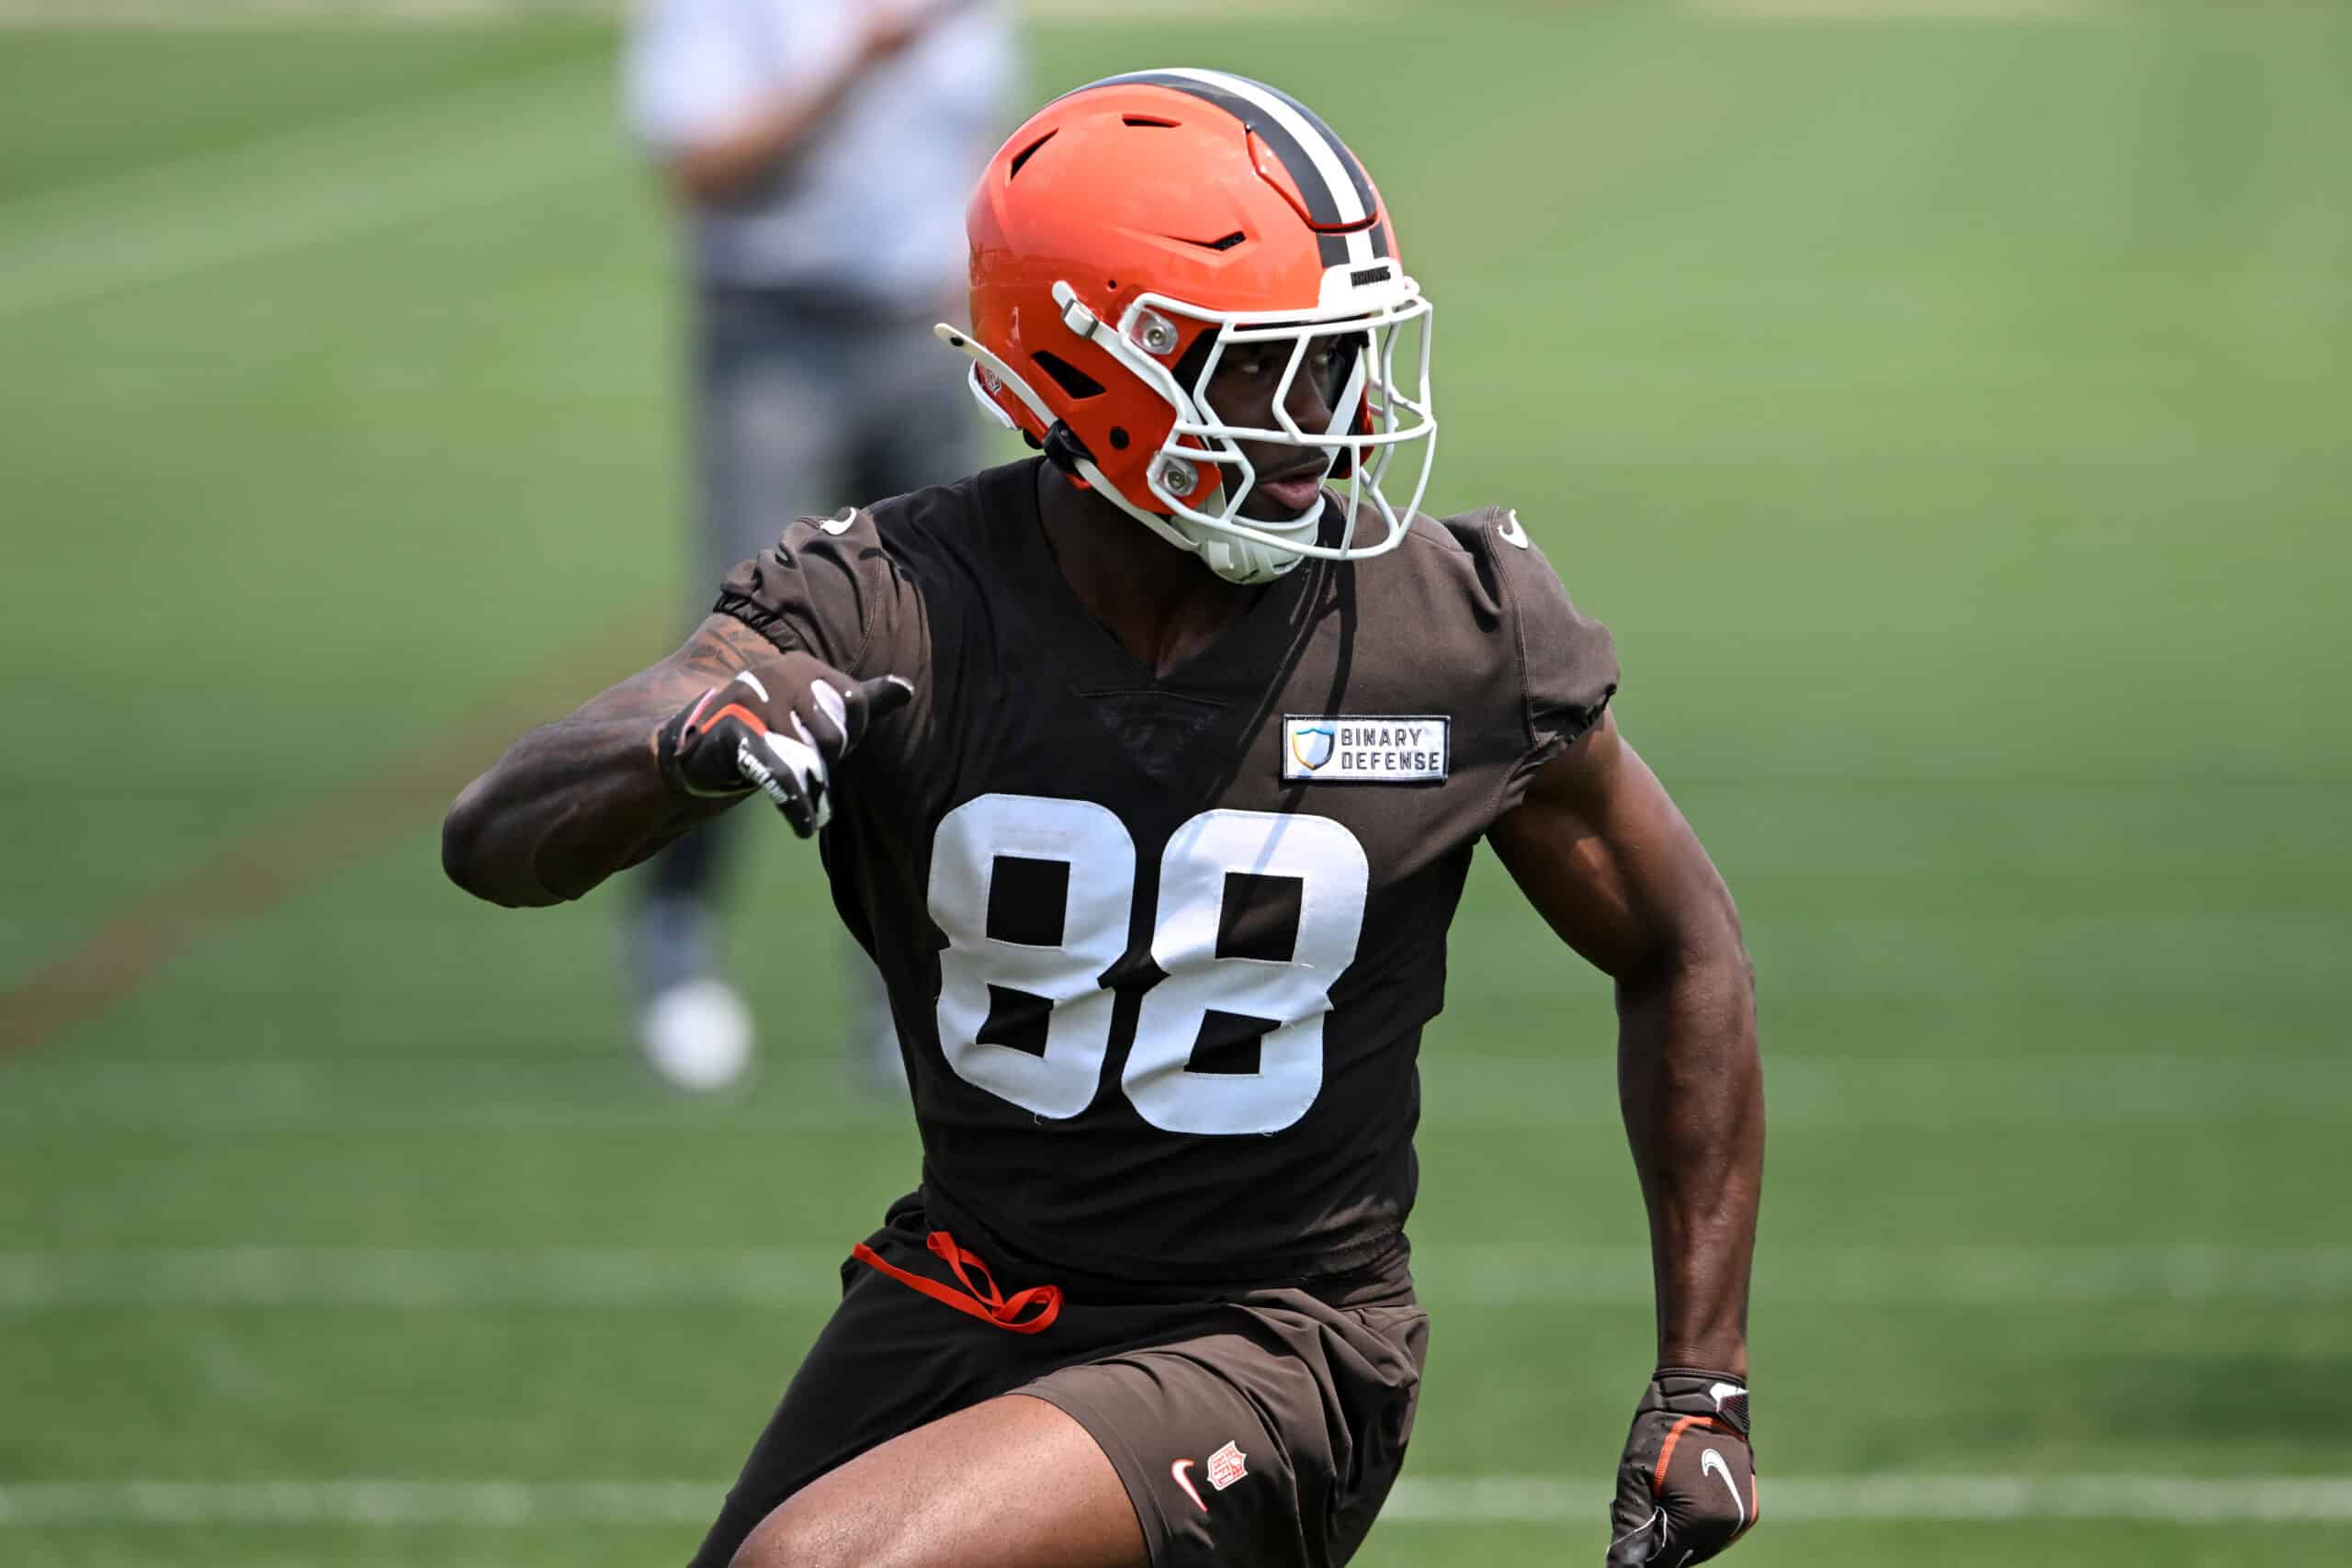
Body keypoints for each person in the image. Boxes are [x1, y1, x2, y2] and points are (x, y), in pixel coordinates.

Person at [444, 68, 1763, 1568]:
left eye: (1344, 363)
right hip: (968, 1281)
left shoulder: (1453, 631)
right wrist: (685, 745)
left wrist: (1702, 1380)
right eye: (1272, 370)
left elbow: (1682, 941)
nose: (1333, 424)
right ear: (1088, 377)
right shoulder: (894, 604)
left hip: (1274, 1338)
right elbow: (496, 841)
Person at [621, 0, 1014, 1090]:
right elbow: (699, 166)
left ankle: (904, 979)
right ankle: (675, 943)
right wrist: (855, 63)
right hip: (776, 330)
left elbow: (977, 144)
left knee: (931, 649)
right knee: (741, 637)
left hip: (920, 336)